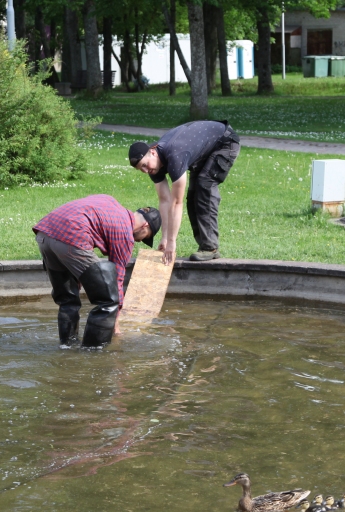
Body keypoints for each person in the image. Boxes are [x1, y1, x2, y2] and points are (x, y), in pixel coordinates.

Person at [33, 195, 161, 348]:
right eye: (145, 237)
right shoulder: (125, 233)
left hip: (44, 234)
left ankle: (67, 346)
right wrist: (115, 321)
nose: (140, 241)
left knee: (68, 298)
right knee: (108, 300)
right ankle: (93, 354)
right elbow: (116, 280)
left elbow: (83, 221)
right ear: (145, 226)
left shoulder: (109, 202)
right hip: (70, 238)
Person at [128, 120, 241, 263]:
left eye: (144, 165)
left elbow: (176, 203)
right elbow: (165, 200)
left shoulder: (174, 155)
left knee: (203, 187)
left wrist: (172, 242)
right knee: (193, 195)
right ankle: (206, 245)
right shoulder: (153, 165)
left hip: (224, 142)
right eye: (140, 169)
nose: (145, 170)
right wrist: (164, 238)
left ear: (152, 152)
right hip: (203, 149)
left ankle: (210, 248)